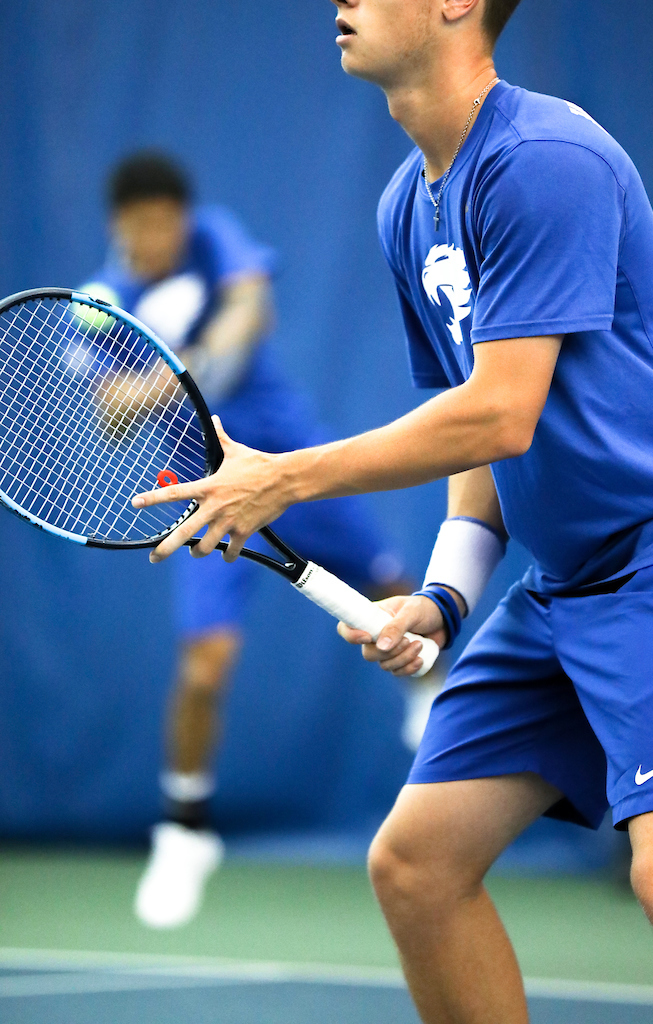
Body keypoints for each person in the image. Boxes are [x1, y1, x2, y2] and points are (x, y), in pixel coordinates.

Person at [131, 0, 653, 1023]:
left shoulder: (544, 157)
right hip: (566, 581)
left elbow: (501, 409)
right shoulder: (408, 204)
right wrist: (442, 599)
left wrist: (286, 474)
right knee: (417, 866)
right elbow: (474, 444)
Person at [85, 150, 415, 929]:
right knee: (206, 665)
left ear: (184, 218)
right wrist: (178, 377)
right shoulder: (102, 302)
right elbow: (108, 414)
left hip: (288, 456)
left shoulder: (216, 239)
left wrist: (175, 365)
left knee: (394, 594)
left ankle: (426, 688)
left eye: (168, 221)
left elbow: (249, 312)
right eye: (142, 225)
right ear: (118, 227)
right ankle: (185, 829)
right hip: (200, 483)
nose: (158, 236)